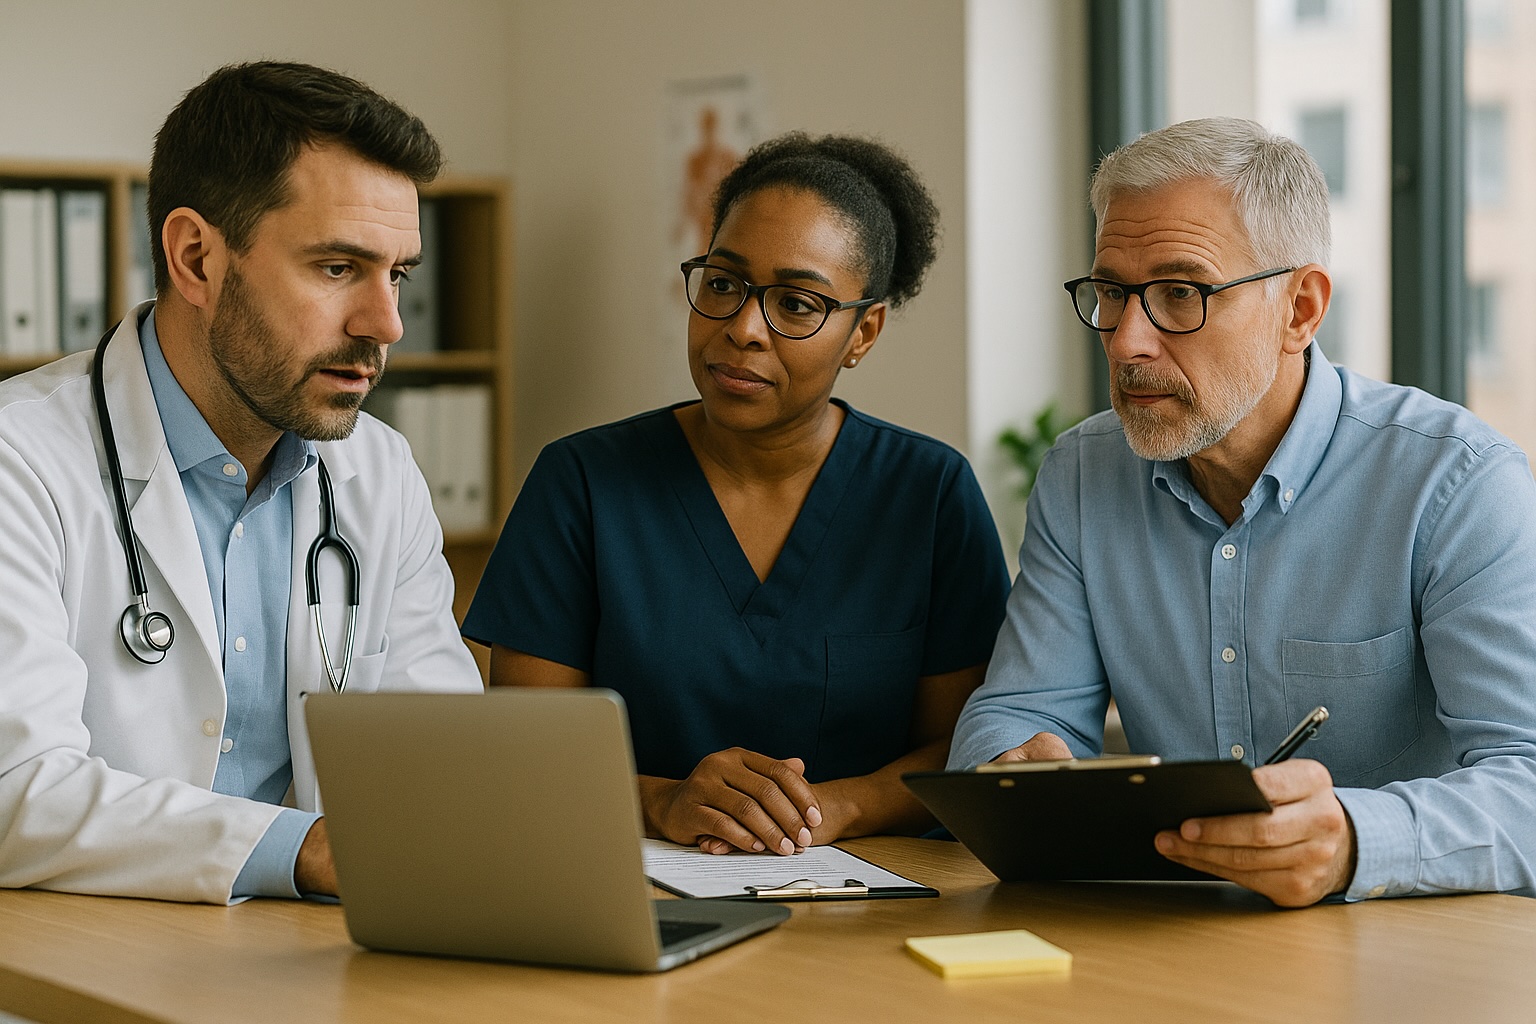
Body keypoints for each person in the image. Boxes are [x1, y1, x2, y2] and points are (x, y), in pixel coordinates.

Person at [949, 116, 1536, 907]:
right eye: (1114, 293)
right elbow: (1020, 710)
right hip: (1179, 945)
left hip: (1406, 959)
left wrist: (1353, 841)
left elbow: (1527, 781)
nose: (1127, 343)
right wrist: (1014, 769)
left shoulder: (1457, 482)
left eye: (1180, 293)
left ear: (1300, 309)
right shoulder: (1083, 475)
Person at [0, 62, 483, 905]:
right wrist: (305, 851)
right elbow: (16, 791)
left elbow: (446, 765)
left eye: (397, 273)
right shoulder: (22, 460)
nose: (387, 324)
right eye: (338, 268)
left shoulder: (378, 473)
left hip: (313, 961)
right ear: (196, 258)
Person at [464, 133, 1010, 857]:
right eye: (723, 284)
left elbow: (967, 744)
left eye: (797, 303)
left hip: (877, 898)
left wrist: (831, 810)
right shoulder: (583, 483)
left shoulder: (929, 494)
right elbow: (528, 751)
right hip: (637, 890)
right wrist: (664, 802)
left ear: (863, 332)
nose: (744, 329)